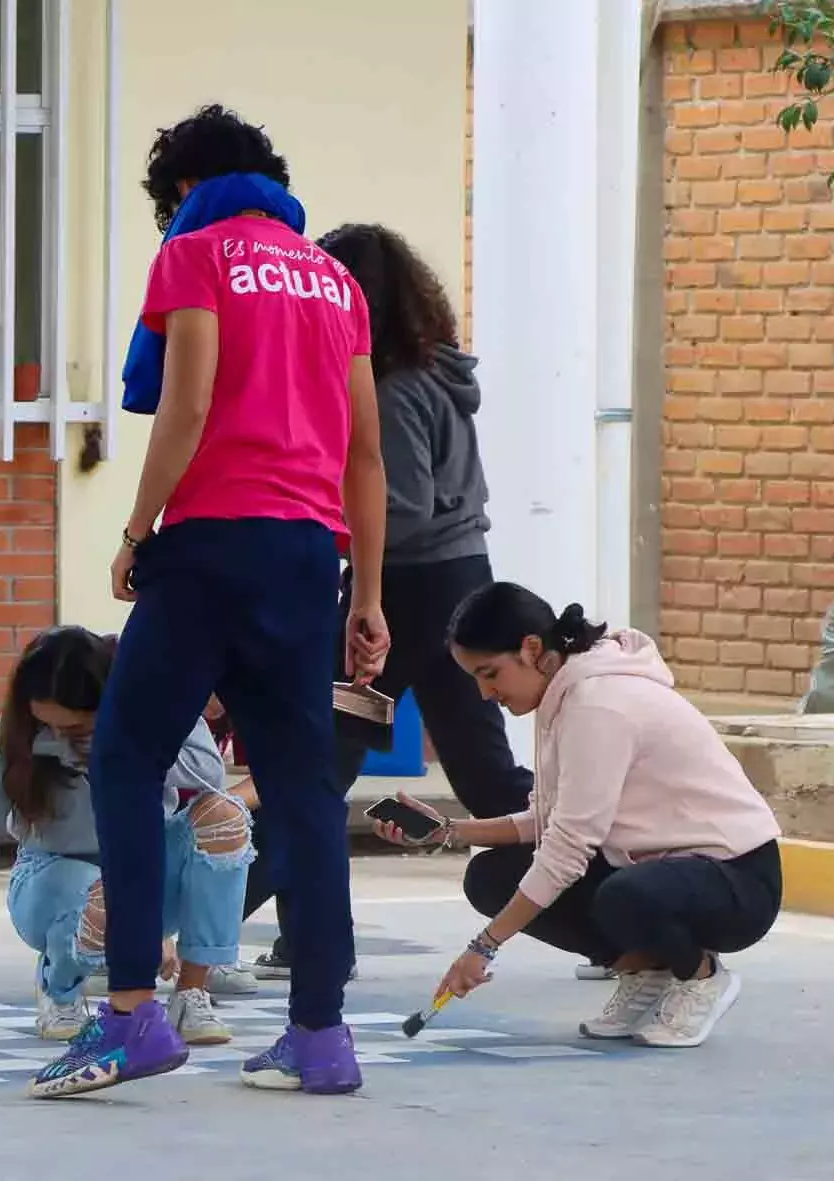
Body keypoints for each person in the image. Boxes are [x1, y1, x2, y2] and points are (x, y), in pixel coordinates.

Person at [31, 105, 389, 1100]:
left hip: (207, 546)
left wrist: (137, 529)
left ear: (182, 192)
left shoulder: (195, 256)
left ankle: (132, 1013)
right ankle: (320, 1032)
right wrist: (367, 590)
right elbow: (365, 451)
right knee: (304, 788)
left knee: (125, 753)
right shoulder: (336, 280)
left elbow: (185, 402)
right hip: (304, 557)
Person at [237, 222, 538, 984]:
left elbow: (398, 506)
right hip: (456, 576)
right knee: (483, 770)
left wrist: (320, 539)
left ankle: (208, 922)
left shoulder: (395, 387)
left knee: (314, 762)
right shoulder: (437, 372)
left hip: (405, 584)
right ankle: (605, 907)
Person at [375, 583, 784, 1049]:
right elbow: (548, 820)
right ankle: (646, 969)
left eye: (490, 674)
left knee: (623, 895)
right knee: (492, 876)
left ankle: (703, 977)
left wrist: (482, 948)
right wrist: (446, 831)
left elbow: (567, 848)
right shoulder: (563, 696)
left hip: (736, 880)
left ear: (531, 649)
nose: (485, 693)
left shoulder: (598, 704)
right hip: (660, 869)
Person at [0, 627, 250, 1047]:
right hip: (51, 876)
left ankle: (192, 992)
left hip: (142, 867)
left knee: (224, 816)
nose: (55, 736)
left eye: (73, 728)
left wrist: (123, 746)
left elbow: (210, 775)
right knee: (100, 891)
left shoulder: (150, 700)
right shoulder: (10, 738)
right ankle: (60, 987)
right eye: (44, 725)